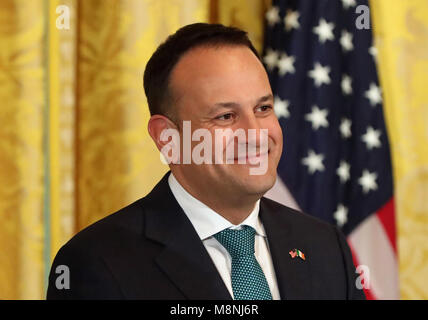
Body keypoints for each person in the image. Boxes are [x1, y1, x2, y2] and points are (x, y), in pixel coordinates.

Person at [47, 23, 366, 300]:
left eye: (263, 109)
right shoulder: (98, 263)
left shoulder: (326, 247)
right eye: (226, 116)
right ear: (167, 138)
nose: (255, 135)